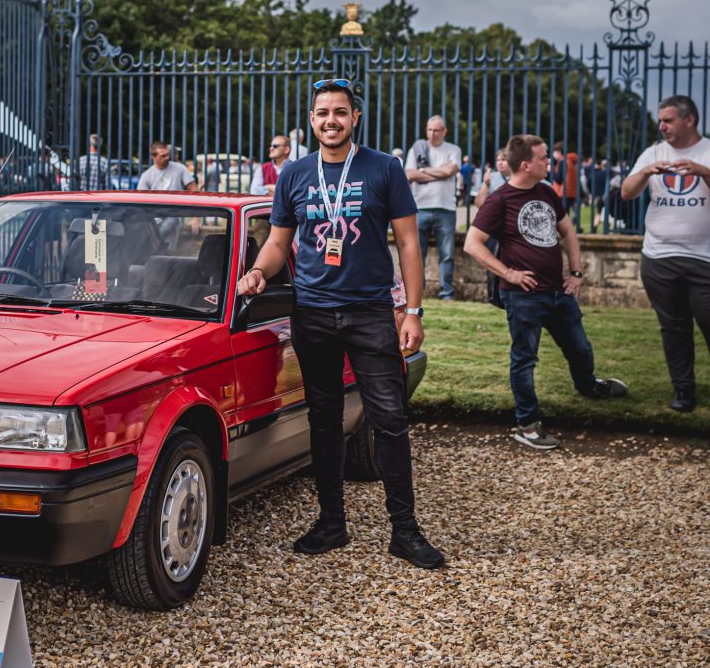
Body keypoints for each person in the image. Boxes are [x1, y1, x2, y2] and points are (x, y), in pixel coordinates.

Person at [236, 78, 444, 569]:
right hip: (312, 313)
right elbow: (278, 242)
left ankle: (405, 530)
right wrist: (258, 272)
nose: (331, 120)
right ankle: (332, 523)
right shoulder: (295, 174)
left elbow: (409, 244)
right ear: (312, 120)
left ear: (355, 118)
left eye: (340, 112)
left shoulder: (384, 169)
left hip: (371, 311)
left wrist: (412, 311)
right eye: (322, 112)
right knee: (324, 420)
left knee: (389, 420)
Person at [464, 134, 629, 450]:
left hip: (558, 291)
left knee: (580, 348)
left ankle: (588, 386)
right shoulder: (499, 200)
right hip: (523, 295)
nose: (549, 163)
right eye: (544, 159)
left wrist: (576, 273)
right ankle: (527, 424)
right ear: (526, 165)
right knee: (524, 359)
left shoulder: (547, 192)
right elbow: (472, 244)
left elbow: (567, 231)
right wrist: (508, 272)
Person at [621, 95, 710, 413]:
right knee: (673, 327)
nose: (662, 126)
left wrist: (703, 171)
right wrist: (645, 173)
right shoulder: (654, 152)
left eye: (668, 120)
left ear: (690, 120)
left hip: (704, 257)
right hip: (659, 255)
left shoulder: (708, 151)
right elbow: (627, 192)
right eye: (660, 120)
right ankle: (683, 391)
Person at [405, 116, 461, 300]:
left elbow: (449, 172)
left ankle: (446, 293)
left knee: (447, 254)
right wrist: (438, 172)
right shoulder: (418, 148)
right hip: (420, 207)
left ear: (444, 131)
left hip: (445, 208)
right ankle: (417, 291)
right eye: (429, 130)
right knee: (416, 253)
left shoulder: (454, 149)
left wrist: (422, 171)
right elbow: (409, 174)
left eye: (436, 130)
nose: (432, 134)